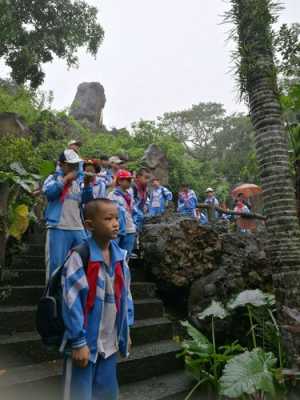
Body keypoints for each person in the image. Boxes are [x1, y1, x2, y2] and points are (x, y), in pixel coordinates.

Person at [61, 198, 133, 400]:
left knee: (107, 393)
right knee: (79, 393)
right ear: (90, 225)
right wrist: (78, 341)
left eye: (117, 218)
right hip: (85, 343)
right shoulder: (79, 256)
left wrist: (126, 331)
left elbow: (126, 296)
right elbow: (71, 300)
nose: (116, 223)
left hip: (109, 343)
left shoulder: (120, 257)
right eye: (108, 218)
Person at [43, 149, 93, 279]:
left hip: (77, 228)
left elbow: (87, 202)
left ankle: (74, 296)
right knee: (56, 265)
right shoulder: (52, 178)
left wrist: (87, 185)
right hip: (58, 227)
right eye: (70, 165)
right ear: (61, 164)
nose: (74, 168)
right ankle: (52, 298)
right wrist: (65, 179)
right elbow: (50, 193)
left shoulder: (77, 183)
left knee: (82, 263)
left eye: (76, 165)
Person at [108, 170, 137, 257]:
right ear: (120, 181)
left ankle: (123, 270)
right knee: (114, 254)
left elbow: (132, 211)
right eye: (127, 180)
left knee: (126, 255)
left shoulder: (130, 195)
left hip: (130, 229)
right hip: (117, 230)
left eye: (130, 180)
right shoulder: (112, 195)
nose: (129, 182)